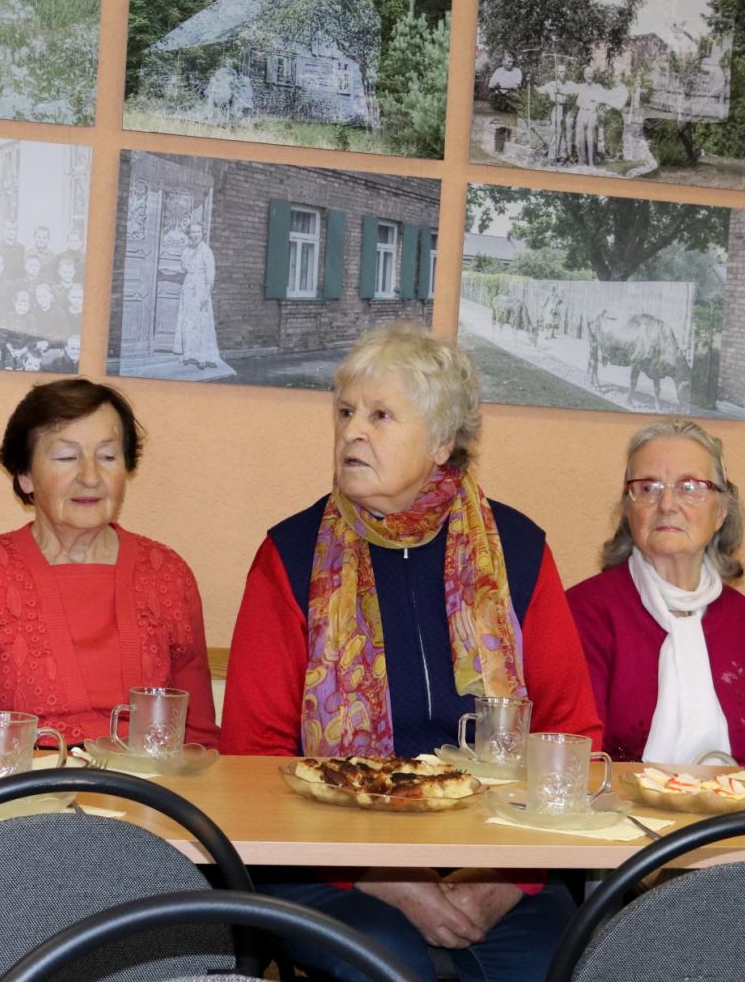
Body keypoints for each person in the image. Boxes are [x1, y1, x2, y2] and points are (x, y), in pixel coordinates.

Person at [221, 322, 602, 982]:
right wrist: (380, 876)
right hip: (328, 864)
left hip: (501, 858)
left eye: (379, 415)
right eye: (345, 412)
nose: (351, 432)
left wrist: (502, 877)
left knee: (550, 966)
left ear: (441, 442)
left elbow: (572, 735)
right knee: (388, 967)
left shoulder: (518, 551)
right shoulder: (289, 554)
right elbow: (253, 759)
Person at [0, 380, 219, 746]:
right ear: (24, 475)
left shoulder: (167, 573)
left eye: (108, 457)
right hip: (15, 780)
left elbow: (197, 736)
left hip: (143, 780)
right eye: (67, 458)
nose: (91, 477)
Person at [567, 418, 745, 765]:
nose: (667, 504)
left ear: (721, 511)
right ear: (628, 509)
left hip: (742, 803)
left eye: (690, 487)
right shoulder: (583, 613)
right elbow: (574, 762)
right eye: (648, 488)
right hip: (618, 801)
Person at [176, 220, 221, 370]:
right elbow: (182, 268)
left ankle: (203, 357)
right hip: (188, 287)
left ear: (203, 233)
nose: (195, 235)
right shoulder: (187, 251)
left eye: (198, 232)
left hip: (201, 289)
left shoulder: (206, 251)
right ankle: (188, 354)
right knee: (188, 321)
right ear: (189, 233)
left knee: (201, 322)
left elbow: (210, 276)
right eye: (193, 232)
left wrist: (206, 295)